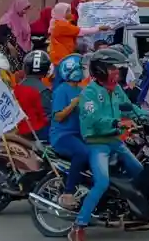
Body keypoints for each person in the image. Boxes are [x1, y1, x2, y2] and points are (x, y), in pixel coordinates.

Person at [71, 48, 149, 240]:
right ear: (100, 70)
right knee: (102, 182)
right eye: (113, 68)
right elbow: (94, 120)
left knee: (140, 172)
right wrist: (116, 123)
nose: (118, 72)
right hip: (97, 144)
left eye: (118, 68)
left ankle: (136, 213)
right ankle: (79, 224)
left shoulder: (115, 89)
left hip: (116, 141)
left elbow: (128, 108)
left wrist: (146, 117)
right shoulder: (90, 93)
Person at [50, 54, 90, 210]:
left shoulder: (82, 89)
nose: (80, 71)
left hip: (79, 134)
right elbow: (58, 116)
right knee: (82, 153)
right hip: (62, 135)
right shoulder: (62, 90)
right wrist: (73, 105)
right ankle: (68, 192)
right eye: (78, 68)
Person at [17, 50, 53, 141]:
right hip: (36, 132)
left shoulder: (18, 86)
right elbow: (48, 116)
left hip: (20, 129)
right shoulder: (44, 90)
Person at [0, 0, 33, 71]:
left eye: (26, 9)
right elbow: (0, 35)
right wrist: (9, 45)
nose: (25, 11)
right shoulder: (7, 19)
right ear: (18, 6)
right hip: (11, 53)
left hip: (23, 52)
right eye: (23, 8)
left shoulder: (24, 19)